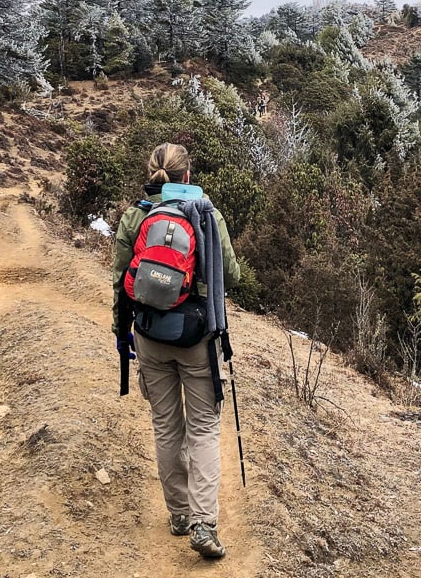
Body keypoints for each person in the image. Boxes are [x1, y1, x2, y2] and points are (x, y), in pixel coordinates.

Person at [112, 142, 240, 559]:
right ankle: (204, 523)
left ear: (150, 174)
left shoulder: (136, 216)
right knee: (202, 427)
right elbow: (231, 275)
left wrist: (122, 335)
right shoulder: (204, 212)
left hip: (149, 335)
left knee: (166, 425)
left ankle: (179, 514)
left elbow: (120, 284)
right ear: (187, 176)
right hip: (197, 338)